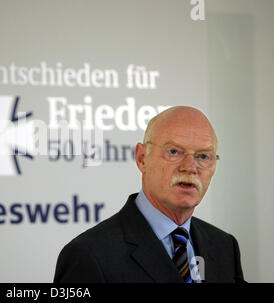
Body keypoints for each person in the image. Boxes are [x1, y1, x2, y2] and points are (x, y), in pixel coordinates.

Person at [54, 106, 244, 283]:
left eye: (203, 156)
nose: (190, 167)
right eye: (174, 151)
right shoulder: (88, 255)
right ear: (142, 158)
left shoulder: (225, 247)